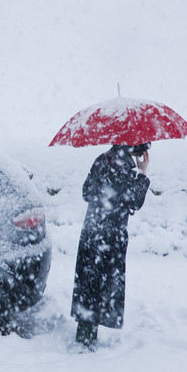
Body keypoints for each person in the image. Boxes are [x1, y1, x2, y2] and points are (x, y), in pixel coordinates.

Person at [70, 142, 151, 351]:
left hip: (91, 231)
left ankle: (85, 333)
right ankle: (86, 340)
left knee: (89, 283)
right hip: (111, 235)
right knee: (103, 284)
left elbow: (86, 192)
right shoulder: (125, 166)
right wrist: (142, 173)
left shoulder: (102, 159)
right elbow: (134, 201)